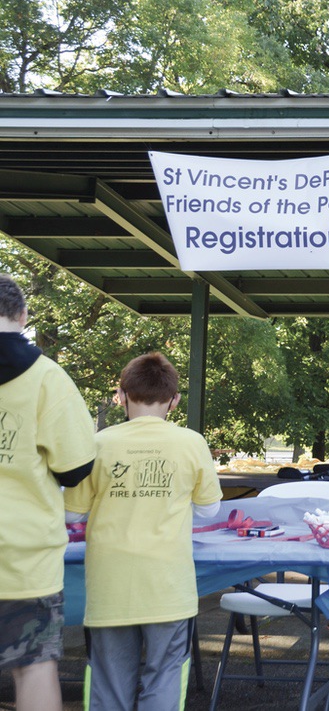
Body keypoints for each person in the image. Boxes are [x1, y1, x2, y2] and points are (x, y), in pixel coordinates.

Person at [63, 352, 222, 710]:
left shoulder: (98, 444)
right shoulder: (191, 443)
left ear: (121, 395)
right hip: (168, 584)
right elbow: (210, 509)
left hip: (110, 585)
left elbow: (72, 515)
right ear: (174, 399)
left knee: (108, 681)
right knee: (165, 675)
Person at [0, 275, 95, 711]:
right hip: (24, 556)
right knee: (33, 666)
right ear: (22, 316)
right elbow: (76, 469)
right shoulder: (46, 378)